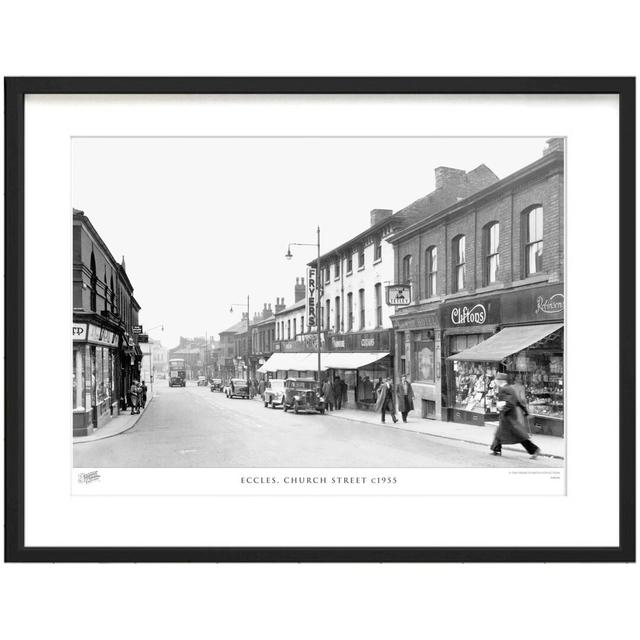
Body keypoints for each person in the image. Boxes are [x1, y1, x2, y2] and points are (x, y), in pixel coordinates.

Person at [490, 373, 541, 459]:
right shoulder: (510, 388)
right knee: (499, 433)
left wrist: (502, 409)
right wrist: (525, 411)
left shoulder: (505, 389)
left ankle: (534, 449)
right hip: (508, 416)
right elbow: (517, 401)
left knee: (519, 435)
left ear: (500, 381)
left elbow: (510, 403)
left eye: (496, 380)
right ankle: (496, 449)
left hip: (508, 417)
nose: (495, 381)